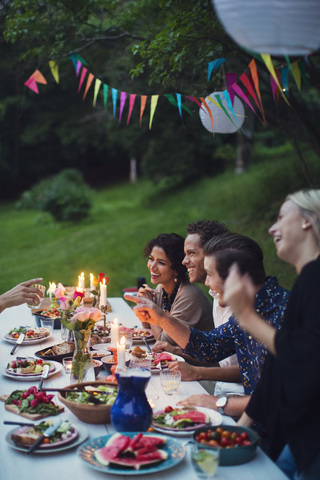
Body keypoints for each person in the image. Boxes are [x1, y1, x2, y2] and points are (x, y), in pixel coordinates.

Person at [125, 232, 289, 418]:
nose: (208, 283)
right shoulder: (250, 307)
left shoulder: (284, 314)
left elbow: (277, 395)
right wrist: (161, 318)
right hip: (257, 419)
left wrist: (219, 403)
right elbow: (209, 346)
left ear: (235, 279)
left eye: (210, 274)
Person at [223, 190, 320, 479]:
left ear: (308, 221)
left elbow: (307, 353)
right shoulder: (307, 278)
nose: (271, 228)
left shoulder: (316, 277)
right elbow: (278, 365)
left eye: (280, 218)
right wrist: (243, 425)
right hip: (300, 437)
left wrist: (245, 315)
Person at [137, 233, 213, 354]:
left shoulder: (189, 296)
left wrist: (151, 305)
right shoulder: (162, 288)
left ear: (176, 269)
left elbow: (161, 342)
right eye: (151, 259)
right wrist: (143, 304)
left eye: (161, 263)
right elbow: (146, 327)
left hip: (203, 365)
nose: (152, 267)